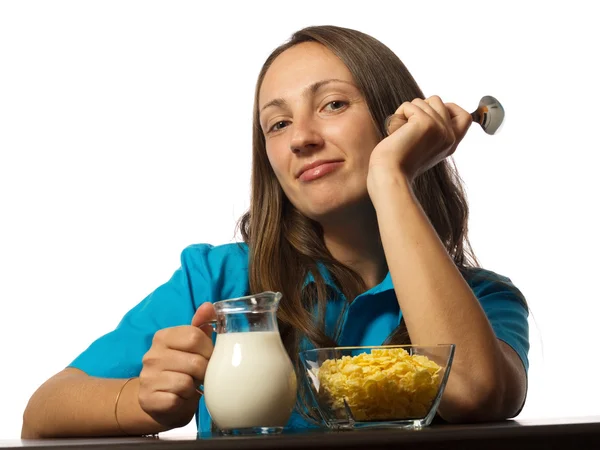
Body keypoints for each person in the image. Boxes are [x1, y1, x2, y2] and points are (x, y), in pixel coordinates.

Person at [21, 25, 529, 438]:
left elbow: (476, 393)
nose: (302, 139)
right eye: (277, 125)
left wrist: (392, 178)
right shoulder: (219, 281)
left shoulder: (484, 300)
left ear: (397, 121)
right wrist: (141, 401)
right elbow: (43, 409)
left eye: (332, 104)